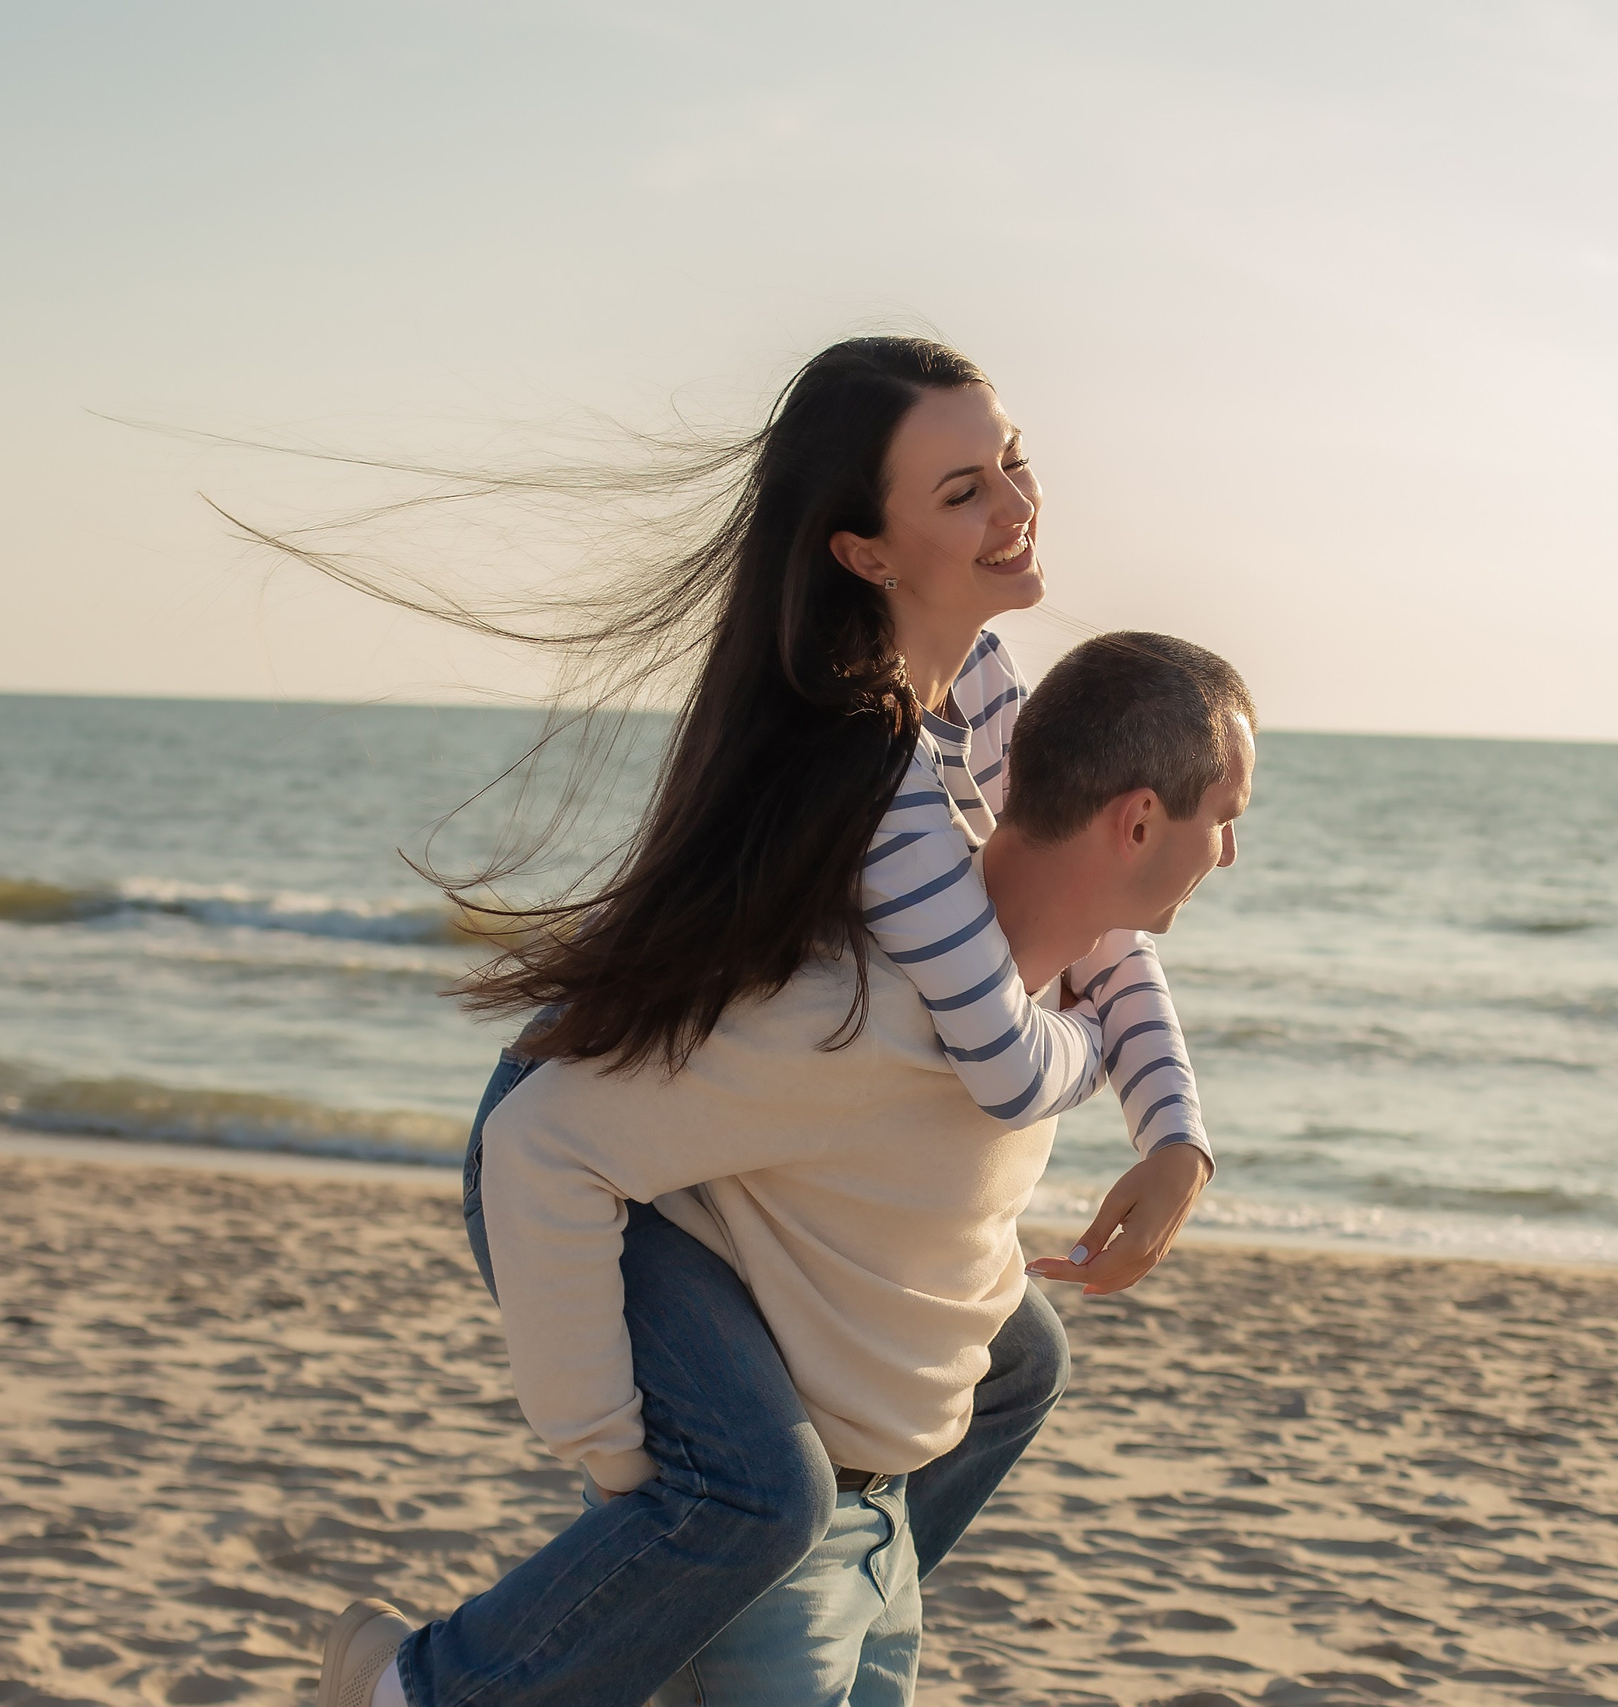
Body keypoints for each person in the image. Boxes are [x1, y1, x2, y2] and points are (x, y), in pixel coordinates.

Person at [310, 339, 1227, 1706]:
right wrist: (639, 1484)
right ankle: (425, 1689)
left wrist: (1176, 1136)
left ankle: (849, 1584)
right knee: (748, 1498)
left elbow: (1094, 922)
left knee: (1013, 1358)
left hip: (679, 1103)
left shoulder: (974, 684)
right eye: (965, 491)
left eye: (1014, 463)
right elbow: (998, 1050)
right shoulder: (873, 771)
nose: (1018, 507)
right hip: (581, 1137)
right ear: (865, 549)